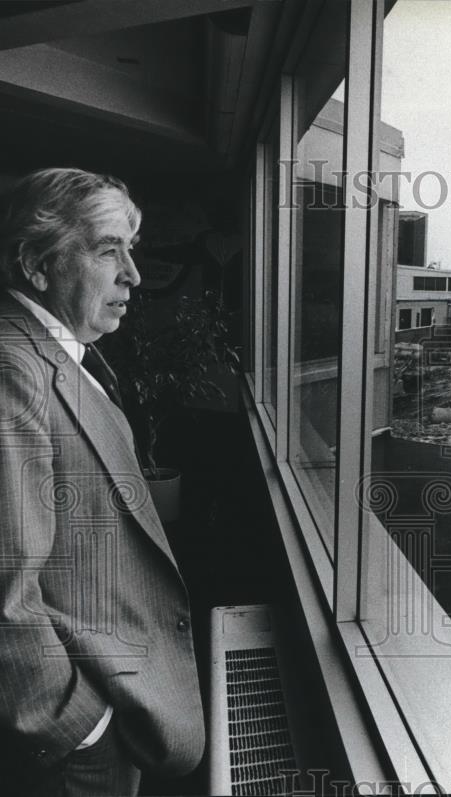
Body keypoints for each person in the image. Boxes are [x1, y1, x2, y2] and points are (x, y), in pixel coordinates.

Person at [0, 169, 205, 796]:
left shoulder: (60, 350)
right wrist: (79, 729)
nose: (133, 276)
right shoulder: (13, 370)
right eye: (107, 249)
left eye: (131, 250)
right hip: (75, 745)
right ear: (38, 264)